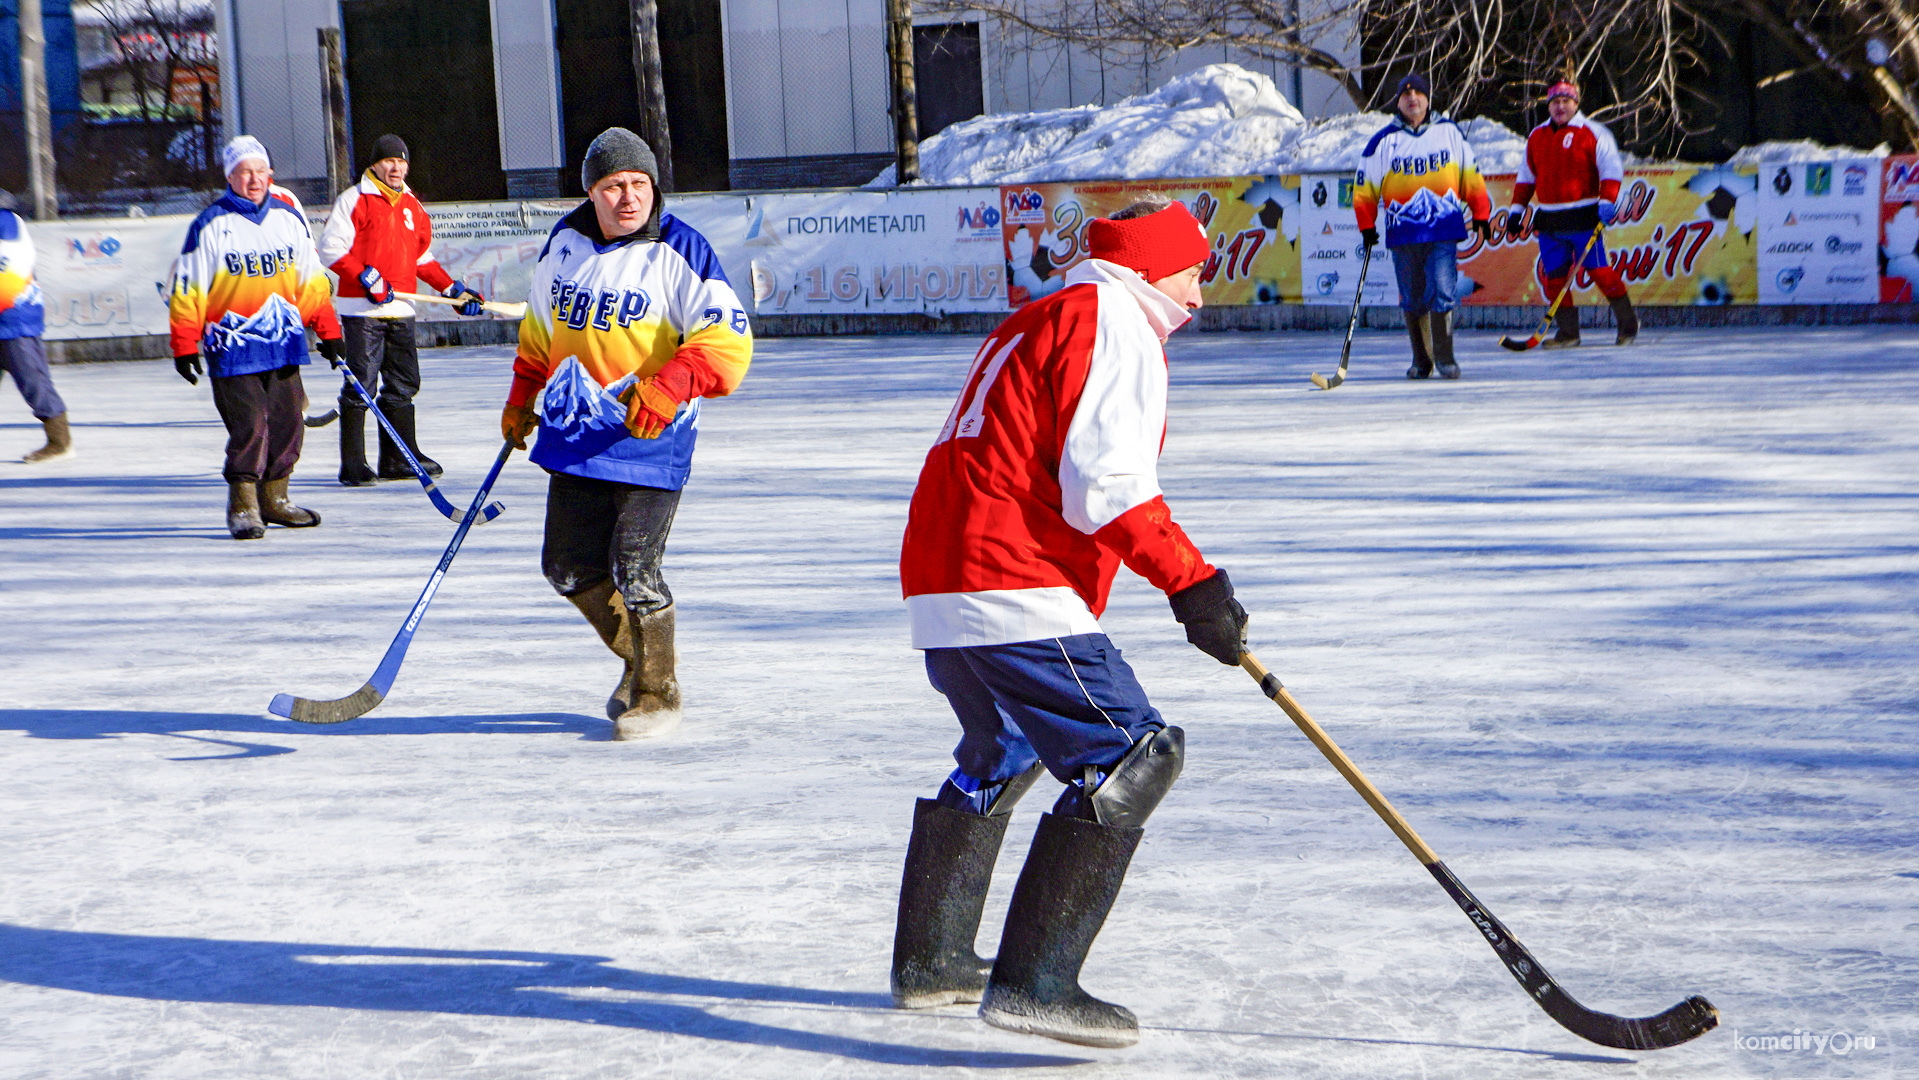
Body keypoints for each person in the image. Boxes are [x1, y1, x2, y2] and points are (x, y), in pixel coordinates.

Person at [890, 197, 1248, 1049]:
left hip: (940, 579)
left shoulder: (1044, 314)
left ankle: (932, 959)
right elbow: (1109, 486)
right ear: (1157, 268)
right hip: (1011, 582)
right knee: (1132, 753)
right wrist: (1193, 586)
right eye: (1195, 270)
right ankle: (1036, 983)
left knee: (1003, 748)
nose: (1200, 294)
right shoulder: (1113, 320)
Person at [500, 127, 752, 741]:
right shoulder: (565, 243)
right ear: (591, 192)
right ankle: (639, 657)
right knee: (565, 566)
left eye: (640, 184)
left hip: (651, 433)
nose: (629, 198)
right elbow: (541, 328)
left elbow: (727, 340)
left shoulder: (681, 249)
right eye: (614, 187)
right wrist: (520, 395)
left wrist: (670, 386)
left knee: (635, 564)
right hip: (578, 429)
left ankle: (657, 691)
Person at [170, 136, 345, 539]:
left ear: (270, 175)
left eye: (259, 172)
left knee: (288, 423)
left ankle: (276, 499)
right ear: (230, 177)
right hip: (232, 347)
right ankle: (244, 505)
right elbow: (187, 288)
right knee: (250, 425)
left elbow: (312, 283)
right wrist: (184, 343)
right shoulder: (211, 224)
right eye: (243, 172)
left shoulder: (288, 218)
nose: (253, 180)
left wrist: (330, 333)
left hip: (283, 342)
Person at [318, 133, 484, 485]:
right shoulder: (354, 200)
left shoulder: (413, 207)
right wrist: (365, 276)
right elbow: (331, 248)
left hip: (402, 309)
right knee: (361, 385)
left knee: (403, 384)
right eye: (389, 161)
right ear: (375, 164)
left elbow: (420, 258)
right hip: (363, 311)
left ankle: (398, 458)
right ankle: (353, 464)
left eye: (402, 161)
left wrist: (452, 290)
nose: (396, 167)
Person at [1354, 74, 1492, 380]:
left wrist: (1481, 213)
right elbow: (1363, 190)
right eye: (1405, 94)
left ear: (1428, 99)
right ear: (1398, 102)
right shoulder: (1383, 141)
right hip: (1403, 234)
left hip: (1442, 230)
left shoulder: (1449, 133)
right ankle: (1422, 360)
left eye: (1418, 93)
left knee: (1443, 290)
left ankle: (1445, 357)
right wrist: (1366, 226)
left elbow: (1471, 176)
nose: (1412, 98)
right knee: (1412, 297)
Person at [1508, 80, 1636, 347]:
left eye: (1566, 101)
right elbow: (1526, 177)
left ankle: (1627, 324)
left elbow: (1611, 169)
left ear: (1576, 103)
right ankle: (1568, 333)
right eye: (1555, 102)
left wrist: (1607, 201)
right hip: (1550, 220)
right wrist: (1516, 211)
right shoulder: (1537, 136)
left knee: (1600, 272)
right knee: (1554, 277)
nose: (1560, 106)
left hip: (1584, 218)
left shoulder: (1593, 132)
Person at [0, 191, 71, 463]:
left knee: (33, 380)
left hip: (14, 317)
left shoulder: (5, 221)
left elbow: (10, 268)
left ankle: (59, 441)